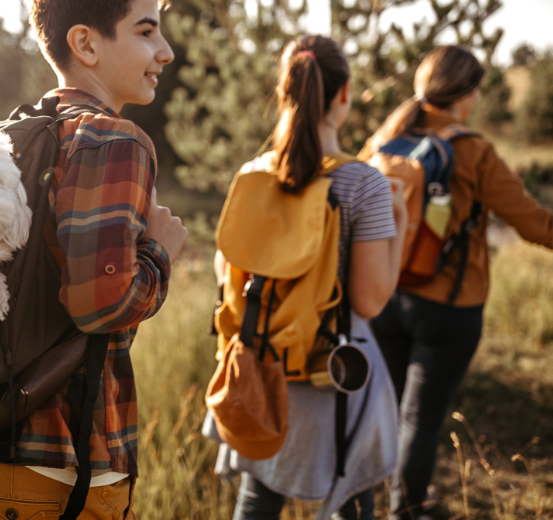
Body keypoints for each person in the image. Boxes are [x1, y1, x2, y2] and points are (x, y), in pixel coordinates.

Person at [0, 0, 187, 518]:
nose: (166, 51)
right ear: (85, 44)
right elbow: (100, 305)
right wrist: (160, 252)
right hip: (56, 473)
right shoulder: (116, 139)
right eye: (146, 32)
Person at [204, 35, 408, 520]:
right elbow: (370, 301)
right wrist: (400, 222)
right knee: (353, 502)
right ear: (344, 93)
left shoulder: (253, 173)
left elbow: (224, 268)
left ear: (285, 90)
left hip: (257, 372)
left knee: (256, 503)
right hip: (334, 374)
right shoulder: (364, 184)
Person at [361, 45, 553, 520]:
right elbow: (532, 224)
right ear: (467, 93)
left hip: (382, 295)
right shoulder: (473, 151)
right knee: (420, 421)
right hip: (448, 307)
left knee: (387, 414)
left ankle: (374, 502)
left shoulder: (384, 140)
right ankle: (406, 510)